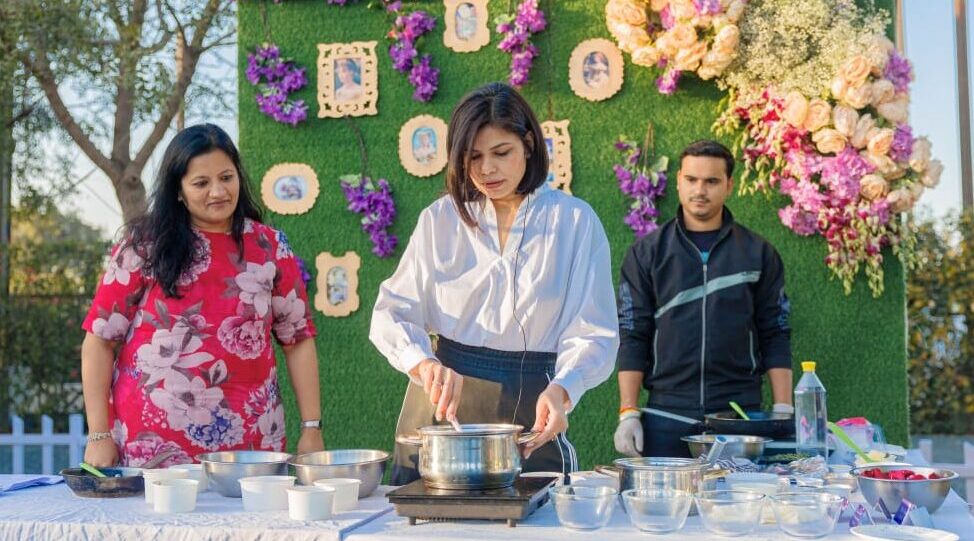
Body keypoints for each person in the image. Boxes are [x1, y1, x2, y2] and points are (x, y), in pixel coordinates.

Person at [370, 82, 619, 484]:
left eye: (501, 153)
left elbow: (594, 331)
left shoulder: (574, 222)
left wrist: (564, 388)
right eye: (473, 157)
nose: (487, 169)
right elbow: (391, 312)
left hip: (532, 405)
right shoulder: (440, 221)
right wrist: (424, 363)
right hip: (441, 407)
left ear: (528, 144)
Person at [81, 124, 324, 468]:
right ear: (177, 190)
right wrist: (99, 435)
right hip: (152, 449)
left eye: (227, 177)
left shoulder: (270, 247)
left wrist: (311, 427)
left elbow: (297, 339)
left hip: (252, 444)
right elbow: (99, 340)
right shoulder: (143, 247)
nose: (218, 191)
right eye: (201, 183)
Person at [613, 139, 793, 458]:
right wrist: (628, 413)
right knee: (669, 509)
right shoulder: (646, 253)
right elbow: (632, 334)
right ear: (679, 181)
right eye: (692, 180)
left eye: (711, 181)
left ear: (729, 185)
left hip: (739, 417)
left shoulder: (758, 253)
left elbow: (775, 332)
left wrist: (783, 409)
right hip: (666, 416)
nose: (700, 190)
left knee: (741, 508)